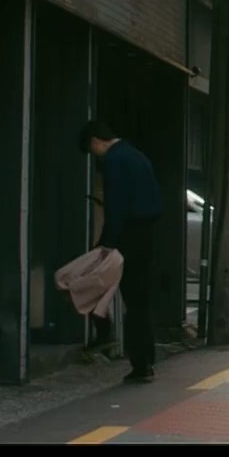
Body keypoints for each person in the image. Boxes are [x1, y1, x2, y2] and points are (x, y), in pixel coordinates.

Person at [83, 119, 162, 384]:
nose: (94, 156)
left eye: (91, 149)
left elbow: (115, 208)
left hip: (128, 235)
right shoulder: (137, 156)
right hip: (147, 233)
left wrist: (106, 243)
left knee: (124, 295)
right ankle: (147, 359)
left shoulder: (114, 161)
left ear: (96, 141)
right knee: (141, 299)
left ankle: (137, 361)